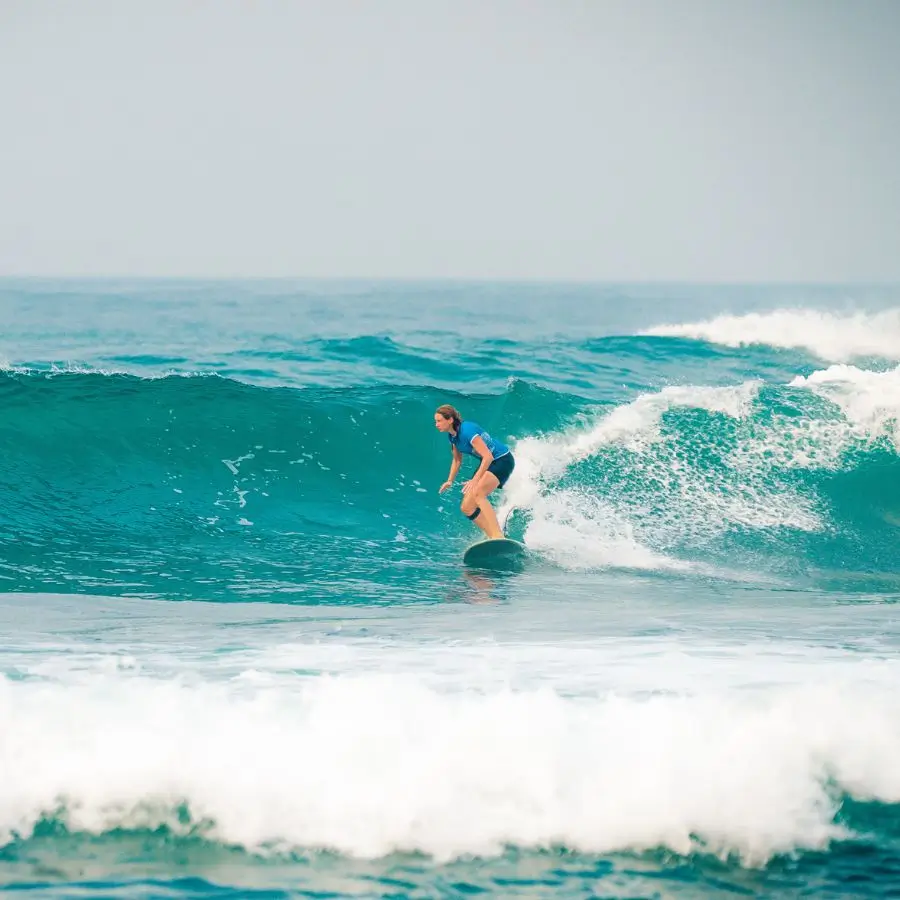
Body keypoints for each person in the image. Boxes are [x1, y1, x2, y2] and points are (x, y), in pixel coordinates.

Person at [433, 404, 515, 540]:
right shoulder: (452, 436)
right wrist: (450, 480)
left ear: (450, 420)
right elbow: (457, 460)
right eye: (436, 421)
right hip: (489, 462)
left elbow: (488, 456)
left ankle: (498, 535)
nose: (436, 424)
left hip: (502, 460)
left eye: (439, 421)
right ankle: (493, 536)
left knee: (478, 493)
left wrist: (475, 480)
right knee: (467, 507)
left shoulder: (467, 431)